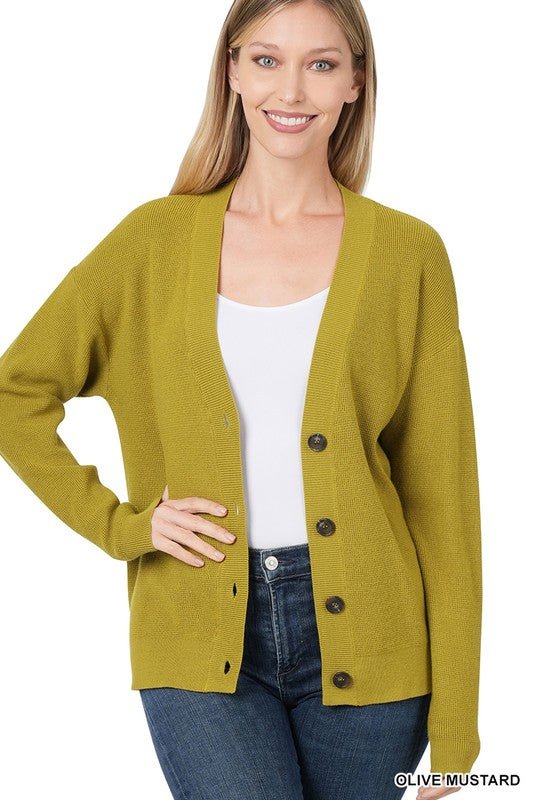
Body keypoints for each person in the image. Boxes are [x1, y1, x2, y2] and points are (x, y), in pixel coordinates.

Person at [0, 1, 481, 798]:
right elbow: (14, 392)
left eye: (321, 64)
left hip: (375, 645)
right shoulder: (152, 241)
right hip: (194, 629)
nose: (290, 89)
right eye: (265, 59)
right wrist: (122, 526)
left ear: (355, 81)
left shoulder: (408, 255)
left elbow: (442, 499)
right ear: (230, 70)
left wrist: (458, 732)